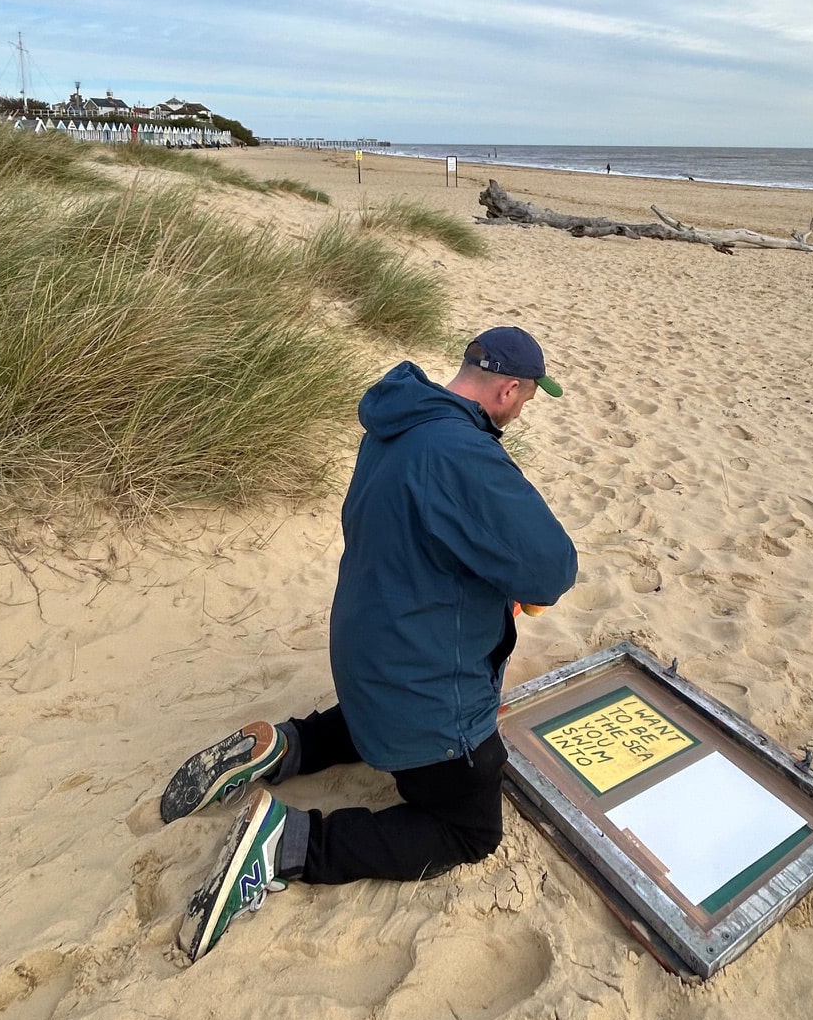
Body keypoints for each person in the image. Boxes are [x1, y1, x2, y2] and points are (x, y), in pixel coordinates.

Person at [164, 327, 577, 962]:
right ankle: (287, 843)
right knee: (469, 830)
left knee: (382, 715)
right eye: (526, 397)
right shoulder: (465, 453)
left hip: (365, 656)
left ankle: (289, 745)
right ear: (508, 390)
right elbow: (551, 568)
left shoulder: (397, 420)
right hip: (421, 681)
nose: (523, 409)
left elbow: (430, 534)